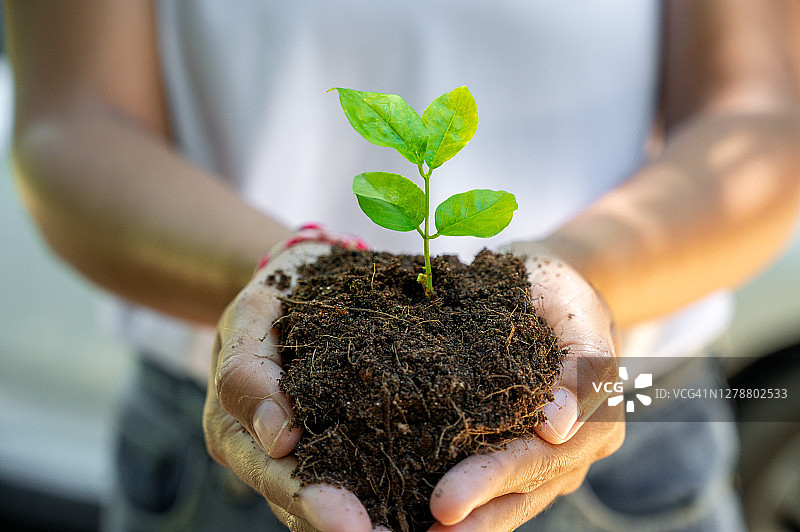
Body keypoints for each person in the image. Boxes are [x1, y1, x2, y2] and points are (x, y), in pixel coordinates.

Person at [5, 0, 800, 530]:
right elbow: (71, 123)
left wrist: (579, 267)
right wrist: (284, 267)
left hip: (626, 398)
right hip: (245, 417)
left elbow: (761, 119)